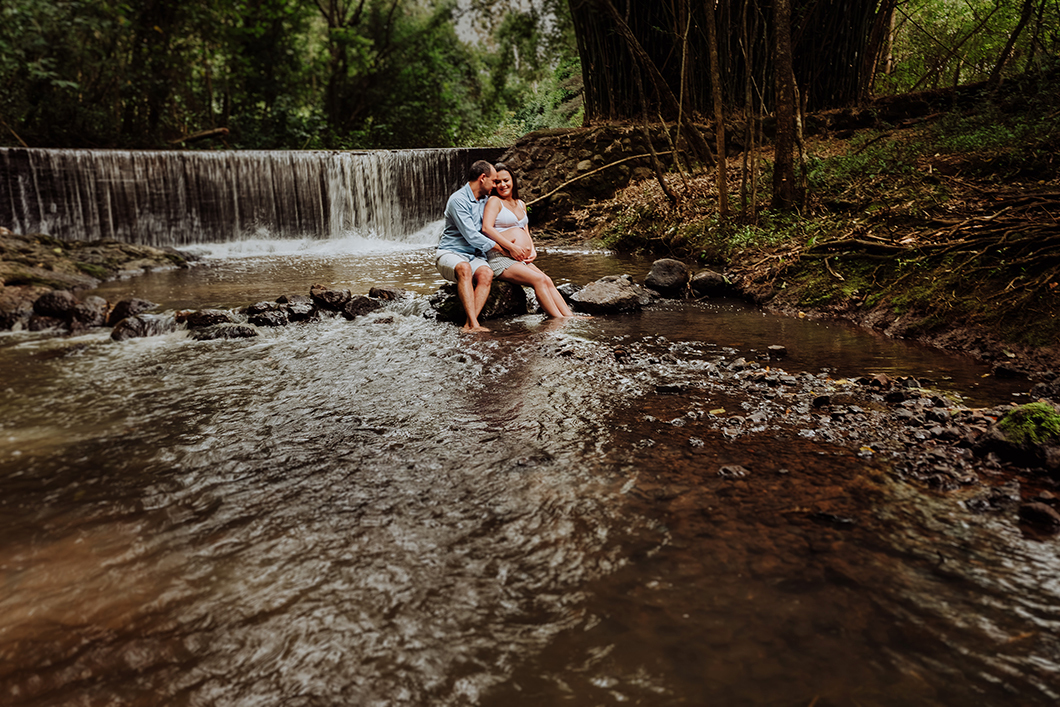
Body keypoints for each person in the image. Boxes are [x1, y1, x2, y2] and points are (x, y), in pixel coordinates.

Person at [436, 160, 530, 332]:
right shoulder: (458, 200)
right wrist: (505, 249)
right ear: (482, 178)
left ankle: (468, 325)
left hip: (476, 256)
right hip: (451, 253)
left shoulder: (486, 200)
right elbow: (472, 236)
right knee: (464, 268)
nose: (496, 185)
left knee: (487, 273)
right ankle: (474, 323)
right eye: (494, 181)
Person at [482, 164, 575, 319]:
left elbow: (525, 231)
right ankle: (558, 320)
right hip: (499, 257)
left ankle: (570, 316)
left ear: (513, 180)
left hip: (517, 258)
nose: (502, 185)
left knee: (547, 279)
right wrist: (511, 247)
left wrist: (532, 250)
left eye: (506, 180)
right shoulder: (494, 201)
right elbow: (487, 228)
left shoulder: (521, 204)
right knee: (538, 280)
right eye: (498, 182)